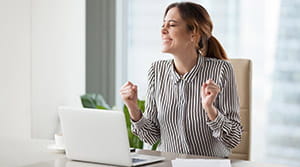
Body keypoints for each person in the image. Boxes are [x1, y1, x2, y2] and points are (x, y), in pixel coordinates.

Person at [120, 2, 241, 157]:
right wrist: (133, 107)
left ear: (193, 34)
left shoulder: (221, 70)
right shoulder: (157, 71)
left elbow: (233, 139)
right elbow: (151, 136)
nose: (163, 30)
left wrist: (210, 110)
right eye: (163, 25)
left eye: (171, 25)